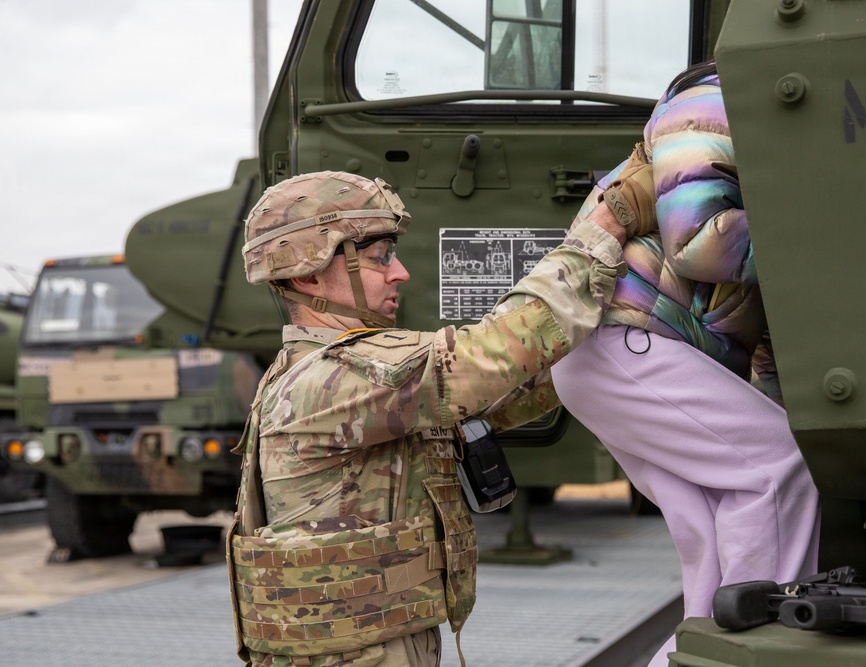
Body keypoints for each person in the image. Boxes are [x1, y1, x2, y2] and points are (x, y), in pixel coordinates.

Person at [226, 166, 655, 667]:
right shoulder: (334, 378)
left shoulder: (334, 378)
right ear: (307, 272)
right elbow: (493, 355)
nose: (399, 272)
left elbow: (509, 392)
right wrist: (610, 221)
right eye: (378, 257)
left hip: (372, 645)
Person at [550, 60, 821, 662]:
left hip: (619, 349)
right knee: (776, 468)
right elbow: (697, 239)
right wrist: (825, 227)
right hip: (627, 342)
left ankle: (705, 652)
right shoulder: (709, 103)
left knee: (712, 536)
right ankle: (758, 650)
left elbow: (767, 329)